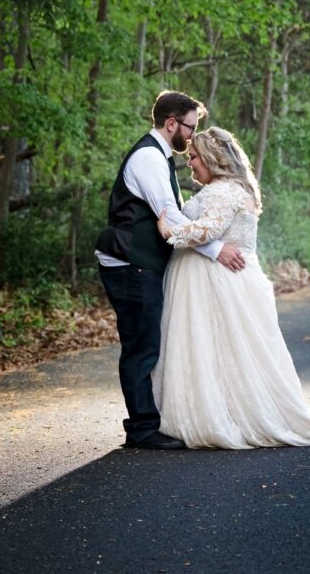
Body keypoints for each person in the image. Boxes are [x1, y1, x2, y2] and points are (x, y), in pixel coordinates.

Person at [154, 127, 310, 449]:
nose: (190, 164)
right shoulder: (236, 188)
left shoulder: (223, 191)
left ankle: (221, 415)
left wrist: (168, 229)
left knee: (218, 349)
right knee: (233, 352)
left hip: (218, 281)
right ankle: (229, 408)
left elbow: (207, 231)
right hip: (232, 278)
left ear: (212, 158)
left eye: (194, 157)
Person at [95, 91, 247, 450]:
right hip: (129, 262)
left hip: (140, 261)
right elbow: (171, 217)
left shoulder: (159, 157)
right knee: (141, 346)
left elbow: (172, 216)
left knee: (148, 342)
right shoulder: (148, 158)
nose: (193, 137)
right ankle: (142, 429)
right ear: (171, 123)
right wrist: (216, 250)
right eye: (191, 128)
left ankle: (149, 421)